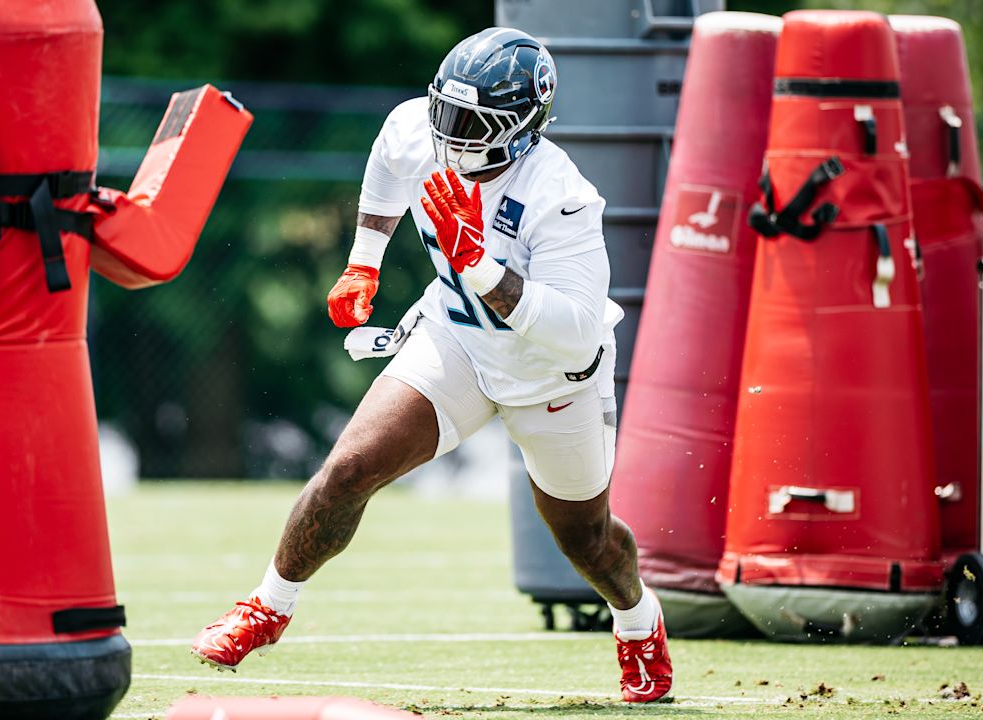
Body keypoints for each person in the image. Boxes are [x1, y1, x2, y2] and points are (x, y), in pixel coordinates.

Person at [191, 27, 673, 703]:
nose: (448, 132)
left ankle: (639, 621)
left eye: (471, 121)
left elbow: (572, 335)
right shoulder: (415, 130)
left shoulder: (563, 198)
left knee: (586, 540)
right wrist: (365, 260)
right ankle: (267, 606)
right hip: (458, 341)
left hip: (550, 378)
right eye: (444, 110)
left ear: (521, 125)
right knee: (349, 470)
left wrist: (480, 267)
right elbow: (391, 158)